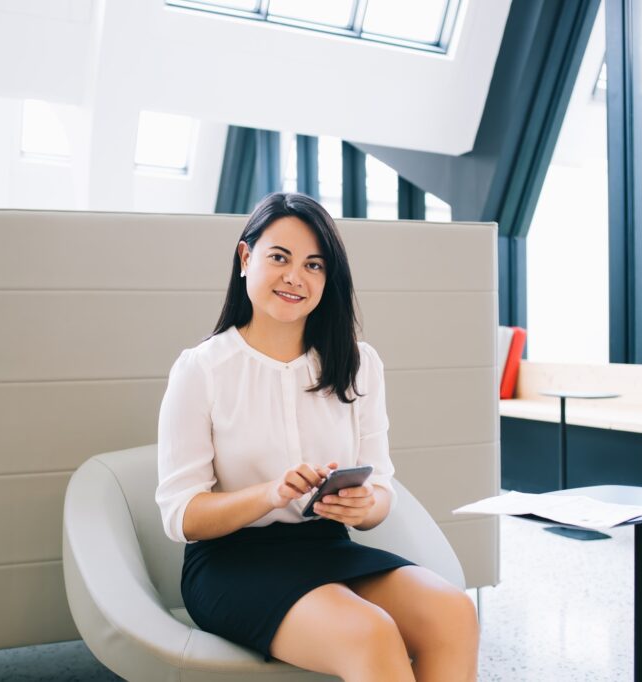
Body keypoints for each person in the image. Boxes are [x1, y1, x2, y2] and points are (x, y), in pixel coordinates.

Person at [155, 192, 479, 682]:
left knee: (454, 613)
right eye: (279, 258)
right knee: (368, 634)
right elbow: (182, 516)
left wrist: (363, 506)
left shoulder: (358, 363)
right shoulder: (201, 369)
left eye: (314, 265)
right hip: (230, 563)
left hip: (326, 546)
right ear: (246, 259)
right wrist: (270, 494)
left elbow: (382, 490)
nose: (295, 277)